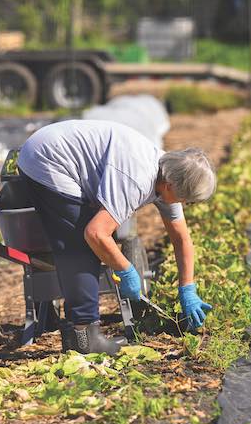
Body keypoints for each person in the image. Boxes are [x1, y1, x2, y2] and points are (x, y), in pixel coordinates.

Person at [17, 119, 216, 355]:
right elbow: (95, 233)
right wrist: (125, 269)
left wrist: (188, 289)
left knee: (92, 238)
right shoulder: (139, 179)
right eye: (185, 200)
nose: (184, 204)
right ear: (171, 185)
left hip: (59, 150)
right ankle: (85, 338)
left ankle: (75, 334)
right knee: (81, 247)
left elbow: (181, 239)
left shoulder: (169, 173)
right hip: (49, 157)